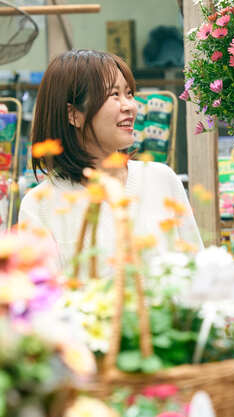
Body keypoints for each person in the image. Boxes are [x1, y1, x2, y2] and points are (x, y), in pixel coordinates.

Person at [19, 49, 202, 272]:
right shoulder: (39, 204)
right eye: (114, 95)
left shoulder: (161, 179)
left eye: (129, 93)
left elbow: (198, 272)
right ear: (73, 114)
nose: (130, 106)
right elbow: (43, 295)